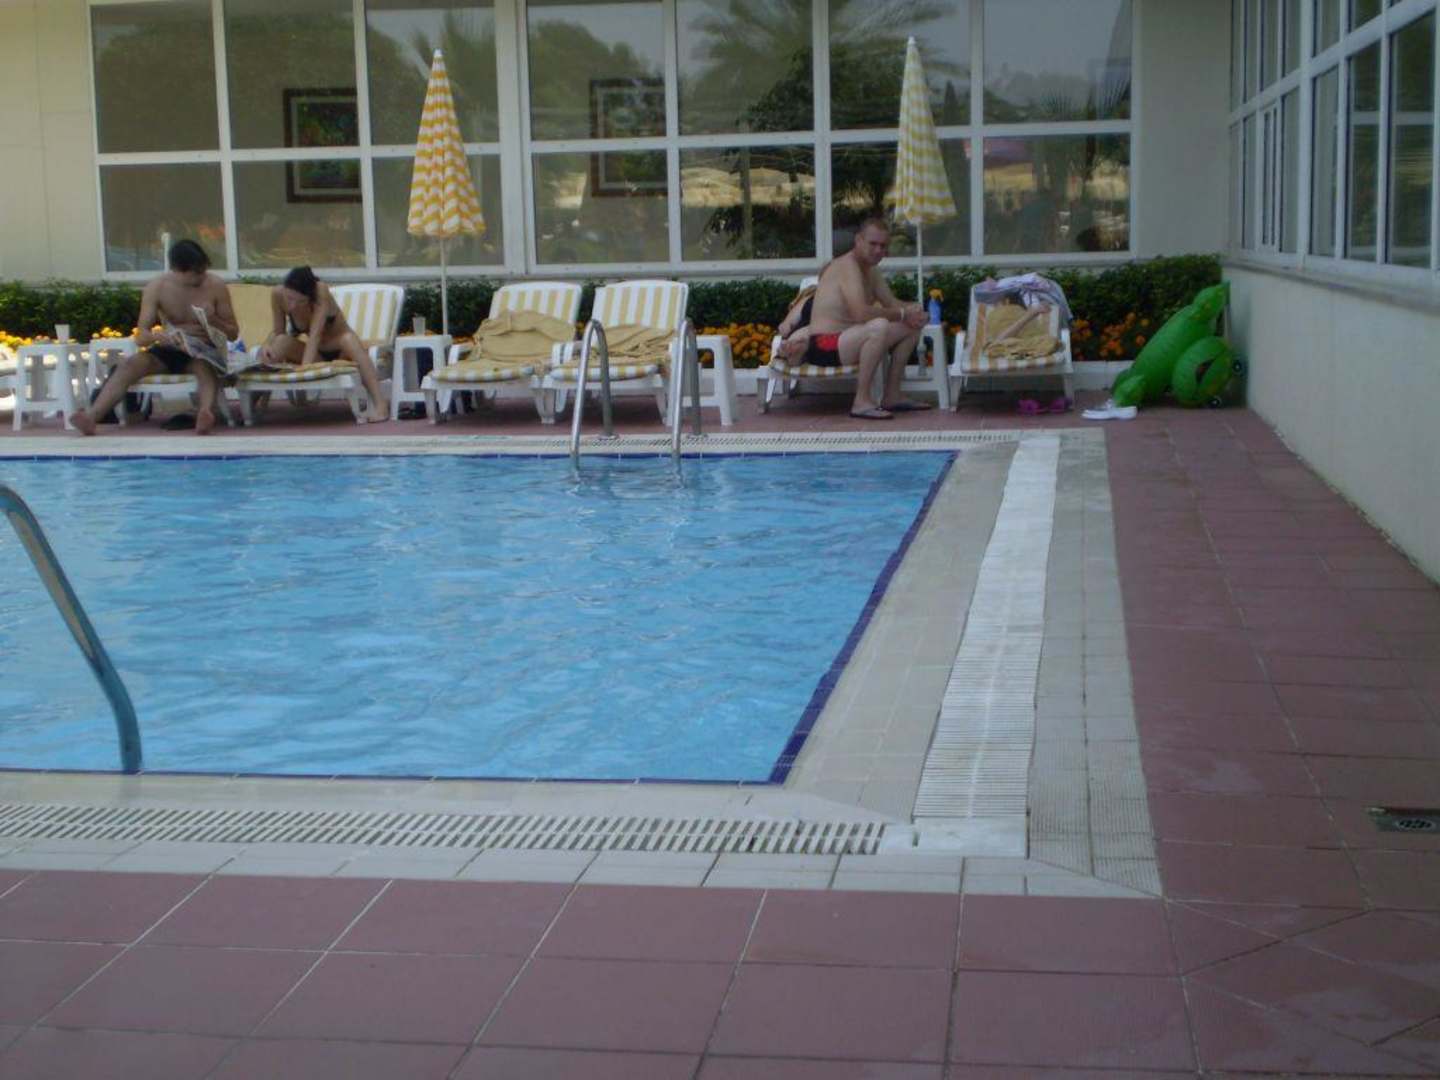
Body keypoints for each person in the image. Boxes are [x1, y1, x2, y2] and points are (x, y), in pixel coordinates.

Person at [71, 239, 237, 436]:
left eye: (203, 270)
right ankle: (91, 417)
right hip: (170, 348)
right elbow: (141, 336)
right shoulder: (157, 288)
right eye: (195, 273)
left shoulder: (215, 286)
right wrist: (158, 337)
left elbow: (233, 333)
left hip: (204, 349)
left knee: (204, 368)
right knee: (129, 364)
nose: (201, 277)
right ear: (177, 270)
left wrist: (214, 320)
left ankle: (205, 413)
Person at [803, 217, 930, 419]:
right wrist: (903, 313)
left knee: (911, 326)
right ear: (858, 240)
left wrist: (915, 311)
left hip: (850, 339)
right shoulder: (847, 266)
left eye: (883, 246)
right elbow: (860, 313)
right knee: (878, 326)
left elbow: (891, 303)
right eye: (873, 244)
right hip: (824, 345)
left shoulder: (871, 271)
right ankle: (861, 401)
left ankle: (892, 395)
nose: (878, 250)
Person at [255, 266, 388, 421]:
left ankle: (381, 405)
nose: (292, 306)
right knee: (279, 343)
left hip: (341, 350)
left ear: (310, 297)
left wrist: (303, 371)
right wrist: (267, 345)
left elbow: (315, 335)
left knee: (348, 339)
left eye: (301, 301)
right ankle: (257, 401)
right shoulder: (277, 294)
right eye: (289, 299)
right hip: (316, 354)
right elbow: (278, 332)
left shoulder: (320, 291)